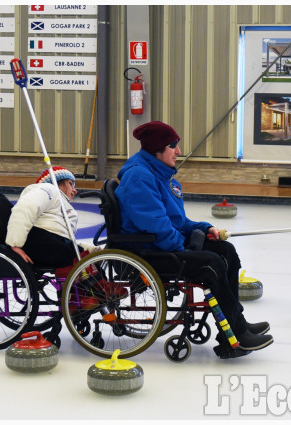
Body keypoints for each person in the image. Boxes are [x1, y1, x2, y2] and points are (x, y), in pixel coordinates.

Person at [114, 121, 273, 353]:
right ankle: (234, 337)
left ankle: (236, 321)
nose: (178, 151)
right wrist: (185, 248)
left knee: (225, 250)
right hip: (147, 251)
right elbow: (156, 226)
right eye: (173, 145)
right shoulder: (139, 177)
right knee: (212, 264)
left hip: (161, 244)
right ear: (157, 149)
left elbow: (178, 222)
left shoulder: (160, 175)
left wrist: (205, 228)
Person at [6, 166, 99, 268]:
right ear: (56, 182)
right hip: (41, 243)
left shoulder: (59, 203)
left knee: (81, 255)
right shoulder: (48, 189)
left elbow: (65, 240)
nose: (75, 191)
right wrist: (15, 244)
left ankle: (97, 274)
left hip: (52, 244)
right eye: (71, 184)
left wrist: (91, 250)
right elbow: (25, 208)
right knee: (78, 258)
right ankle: (97, 281)